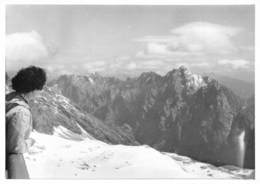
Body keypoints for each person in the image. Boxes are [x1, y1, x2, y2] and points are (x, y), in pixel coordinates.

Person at [6, 66, 46, 179]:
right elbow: (15, 147)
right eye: (40, 87)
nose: (42, 91)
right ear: (32, 89)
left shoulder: (9, 97)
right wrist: (29, 142)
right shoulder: (21, 112)